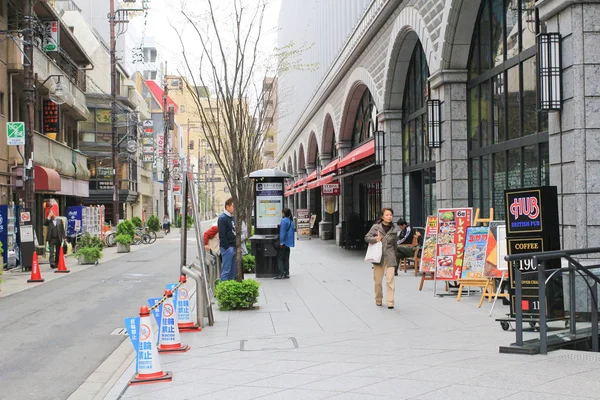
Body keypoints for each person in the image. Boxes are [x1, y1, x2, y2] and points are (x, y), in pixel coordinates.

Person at [365, 208, 398, 309]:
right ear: (382, 216)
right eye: (387, 215)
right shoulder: (376, 227)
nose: (389, 217)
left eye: (391, 215)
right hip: (378, 258)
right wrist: (375, 239)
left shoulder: (394, 228)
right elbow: (366, 238)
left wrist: (396, 257)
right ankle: (378, 299)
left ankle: (390, 302)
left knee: (390, 281)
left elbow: (395, 244)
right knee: (378, 282)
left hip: (390, 257)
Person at [218, 198, 237, 281]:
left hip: (233, 246)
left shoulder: (231, 218)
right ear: (227, 206)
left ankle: (231, 290)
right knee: (226, 271)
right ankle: (223, 291)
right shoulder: (223, 218)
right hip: (227, 248)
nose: (234, 208)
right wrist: (227, 248)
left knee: (233, 272)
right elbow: (222, 235)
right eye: (233, 206)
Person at [276, 208, 295, 279]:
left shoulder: (284, 221)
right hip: (289, 243)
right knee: (286, 258)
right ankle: (287, 273)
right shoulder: (291, 221)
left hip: (283, 243)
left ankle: (281, 273)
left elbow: (282, 233)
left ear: (284, 213)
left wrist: (281, 242)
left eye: (282, 213)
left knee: (280, 258)